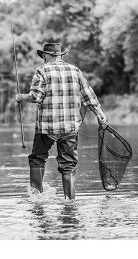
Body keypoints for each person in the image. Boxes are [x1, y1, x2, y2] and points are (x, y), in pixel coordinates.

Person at [16, 43, 108, 200]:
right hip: (70, 127)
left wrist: (21, 97)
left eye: (43, 56)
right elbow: (88, 95)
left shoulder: (42, 70)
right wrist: (100, 113)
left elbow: (36, 97)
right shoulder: (75, 70)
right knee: (68, 164)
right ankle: (69, 201)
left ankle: (37, 199)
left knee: (37, 159)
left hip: (47, 127)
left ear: (45, 55)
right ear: (60, 55)